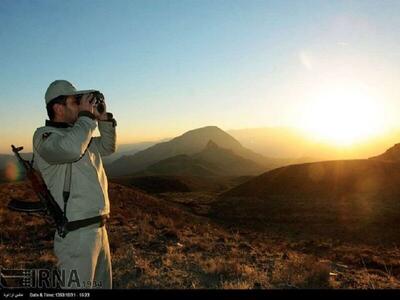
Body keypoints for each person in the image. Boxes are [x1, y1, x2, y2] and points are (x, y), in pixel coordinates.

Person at [32, 80, 117, 289]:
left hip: (99, 230)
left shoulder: (80, 134)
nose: (80, 106)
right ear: (58, 108)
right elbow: (71, 149)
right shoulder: (45, 136)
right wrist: (86, 118)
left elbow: (107, 146)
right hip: (76, 236)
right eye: (75, 101)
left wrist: (103, 119)